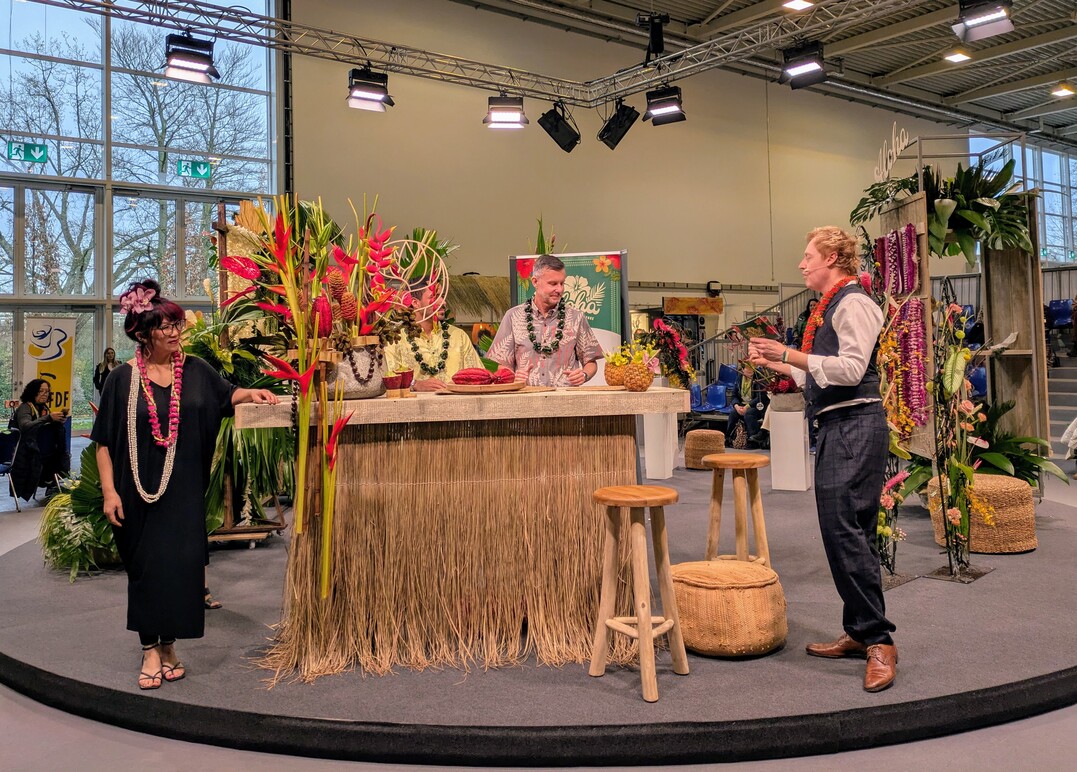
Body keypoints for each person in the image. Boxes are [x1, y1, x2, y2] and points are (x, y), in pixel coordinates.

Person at [92, 279, 278, 691]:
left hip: (183, 492)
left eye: (177, 324)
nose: (176, 332)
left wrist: (253, 394)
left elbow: (226, 395)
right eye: (166, 326)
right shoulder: (121, 379)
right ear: (143, 334)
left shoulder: (194, 370)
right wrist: (109, 492)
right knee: (145, 570)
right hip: (136, 492)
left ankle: (169, 644)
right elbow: (103, 443)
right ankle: (149, 648)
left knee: (179, 568)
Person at [748, 226, 896, 693]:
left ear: (832, 258)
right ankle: (860, 632)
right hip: (841, 424)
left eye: (808, 255)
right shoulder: (833, 305)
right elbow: (821, 373)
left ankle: (879, 640)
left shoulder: (853, 303)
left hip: (855, 424)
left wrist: (790, 352)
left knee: (842, 530)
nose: (801, 263)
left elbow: (851, 369)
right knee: (854, 531)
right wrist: (778, 362)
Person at [487, 254, 602, 386]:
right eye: (553, 283)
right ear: (535, 282)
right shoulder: (513, 317)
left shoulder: (576, 317)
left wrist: (584, 375)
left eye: (562, 283)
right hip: (526, 396)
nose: (559, 289)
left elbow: (590, 362)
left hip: (565, 397)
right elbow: (503, 366)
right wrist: (513, 377)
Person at [384, 281, 483, 391]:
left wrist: (459, 384)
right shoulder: (396, 339)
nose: (443, 302)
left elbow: (479, 376)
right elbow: (388, 376)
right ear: (415, 303)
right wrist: (415, 384)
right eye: (434, 297)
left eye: (442, 296)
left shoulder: (459, 336)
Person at [8, 378, 70, 501]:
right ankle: (49, 482)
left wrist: (58, 421)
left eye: (47, 391)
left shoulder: (43, 408)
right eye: (41, 391)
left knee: (59, 454)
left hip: (42, 449)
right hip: (24, 450)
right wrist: (48, 418)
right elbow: (25, 426)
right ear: (33, 392)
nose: (44, 394)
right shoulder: (25, 407)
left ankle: (51, 483)